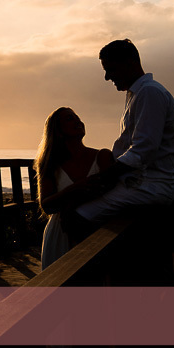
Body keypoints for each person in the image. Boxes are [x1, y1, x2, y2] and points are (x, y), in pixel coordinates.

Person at [64, 39, 174, 236]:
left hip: (151, 185)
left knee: (77, 217)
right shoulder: (139, 93)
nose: (107, 77)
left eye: (110, 69)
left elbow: (143, 150)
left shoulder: (149, 93)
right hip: (144, 182)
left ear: (130, 63)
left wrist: (104, 177)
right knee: (79, 206)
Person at [35, 107, 114, 269]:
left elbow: (111, 194)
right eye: (70, 119)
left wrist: (70, 203)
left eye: (78, 117)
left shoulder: (103, 156)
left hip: (96, 229)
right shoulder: (50, 164)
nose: (78, 121)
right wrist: (74, 189)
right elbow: (46, 205)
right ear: (58, 131)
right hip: (60, 233)